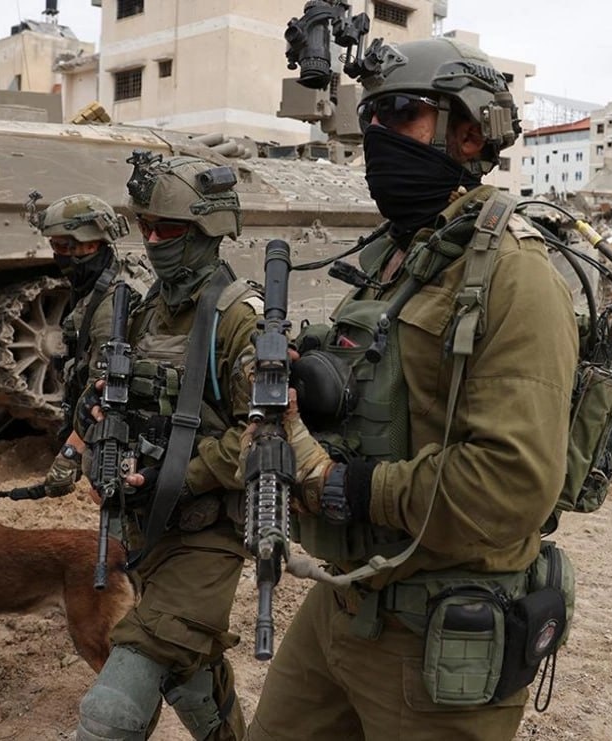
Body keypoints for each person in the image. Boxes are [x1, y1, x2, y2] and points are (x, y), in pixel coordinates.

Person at [246, 37, 580, 740]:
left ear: (469, 133)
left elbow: (512, 482)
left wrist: (345, 485)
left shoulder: (515, 274)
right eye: (370, 116)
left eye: (401, 113)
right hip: (344, 600)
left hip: (438, 629)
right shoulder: (393, 255)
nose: (377, 134)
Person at [74, 154, 260, 741]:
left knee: (110, 711)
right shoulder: (143, 311)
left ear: (209, 230)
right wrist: (95, 418)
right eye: (146, 227)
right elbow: (110, 404)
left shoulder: (239, 320)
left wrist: (180, 473)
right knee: (190, 676)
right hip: (144, 534)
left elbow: (264, 438)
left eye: (169, 230)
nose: (153, 242)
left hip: (207, 537)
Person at [30, 193, 152, 498]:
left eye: (63, 247)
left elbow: (105, 391)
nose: (57, 255)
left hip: (127, 425)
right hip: (117, 416)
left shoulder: (113, 305)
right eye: (54, 246)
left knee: (106, 492)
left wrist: (68, 456)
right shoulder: (98, 282)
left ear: (90, 245)